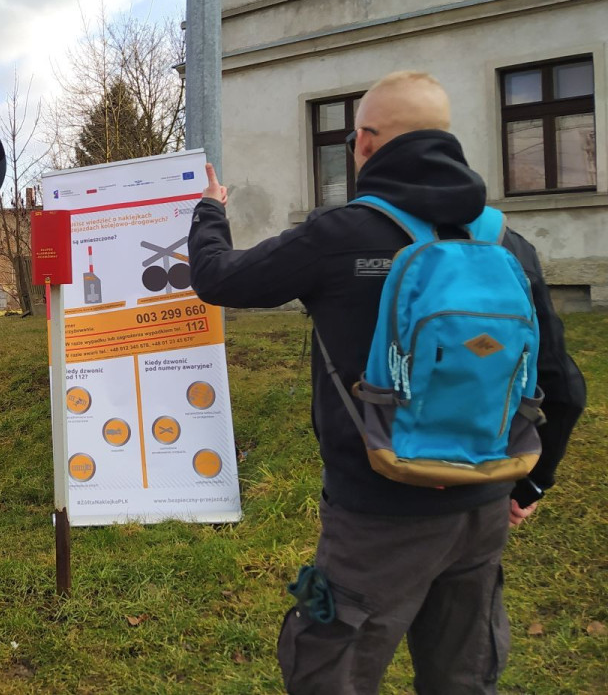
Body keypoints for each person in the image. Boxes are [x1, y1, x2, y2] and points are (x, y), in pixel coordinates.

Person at [187, 71, 585, 694]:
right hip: (482, 505)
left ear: (366, 143)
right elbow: (562, 384)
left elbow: (216, 278)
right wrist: (532, 480)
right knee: (464, 673)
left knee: (330, 664)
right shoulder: (508, 242)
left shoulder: (338, 234)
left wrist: (210, 209)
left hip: (374, 516)